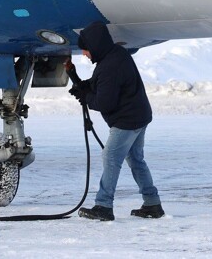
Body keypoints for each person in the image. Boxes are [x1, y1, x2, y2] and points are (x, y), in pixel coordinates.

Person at [67, 21, 164, 221]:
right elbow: (98, 85)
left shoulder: (109, 66)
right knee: (136, 160)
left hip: (127, 121)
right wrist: (76, 79)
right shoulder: (116, 55)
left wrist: (85, 97)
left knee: (110, 158)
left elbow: (104, 102)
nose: (84, 54)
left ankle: (103, 206)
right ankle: (152, 204)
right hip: (139, 117)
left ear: (94, 46)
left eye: (85, 50)